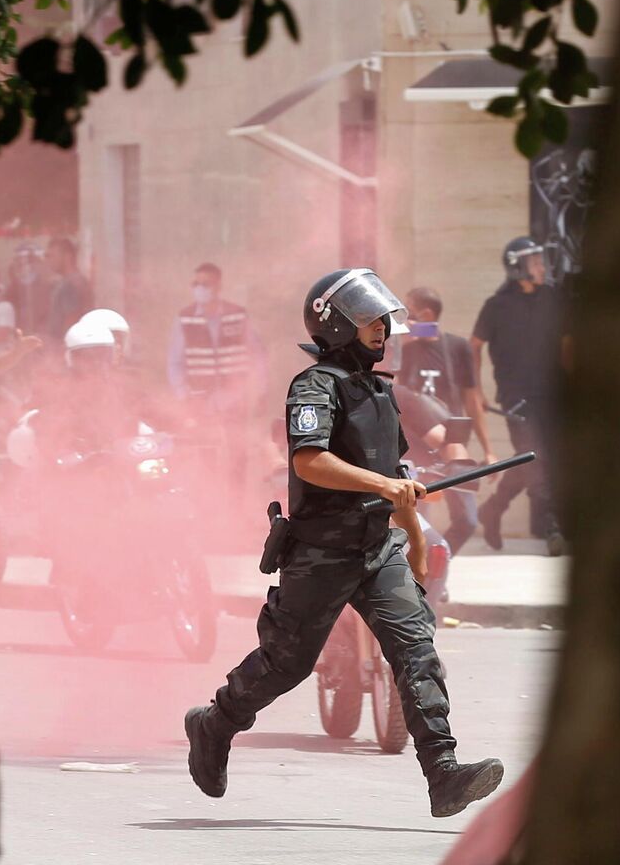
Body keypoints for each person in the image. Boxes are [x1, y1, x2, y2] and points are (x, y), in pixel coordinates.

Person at [184, 268, 504, 818]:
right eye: (369, 319)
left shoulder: (379, 392)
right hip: (321, 552)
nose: (382, 327)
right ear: (336, 325)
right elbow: (311, 461)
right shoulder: (314, 386)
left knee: (417, 651)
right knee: (286, 664)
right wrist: (383, 485)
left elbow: (396, 477)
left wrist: (411, 534)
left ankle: (444, 774)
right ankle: (215, 723)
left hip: (378, 549)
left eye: (383, 318)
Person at [470, 237, 568, 553]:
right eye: (535, 261)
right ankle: (552, 528)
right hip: (517, 399)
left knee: (534, 458)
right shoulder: (496, 306)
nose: (541, 266)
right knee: (536, 459)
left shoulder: (553, 298)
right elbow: (474, 347)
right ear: (517, 267)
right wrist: (477, 391)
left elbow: (567, 343)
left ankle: (493, 508)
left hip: (553, 394)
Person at [166, 262, 267, 508]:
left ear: (218, 286)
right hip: (200, 401)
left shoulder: (237, 316)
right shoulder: (185, 318)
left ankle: (235, 506)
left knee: (237, 454)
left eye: (206, 283)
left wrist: (258, 390)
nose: (200, 289)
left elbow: (257, 355)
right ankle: (209, 507)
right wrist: (183, 396)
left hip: (234, 398)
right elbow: (175, 362)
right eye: (196, 283)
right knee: (205, 454)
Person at [397, 286, 490, 549]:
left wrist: (488, 450)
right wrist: (401, 342)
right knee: (418, 524)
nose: (404, 319)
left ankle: (439, 560)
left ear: (426, 314)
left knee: (467, 520)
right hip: (415, 450)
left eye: (409, 312)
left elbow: (472, 401)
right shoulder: (404, 349)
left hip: (451, 446)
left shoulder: (458, 347)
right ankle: (422, 569)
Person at [42, 237, 91, 344]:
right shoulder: (70, 281)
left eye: (52, 256)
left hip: (63, 347)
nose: (49, 260)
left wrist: (60, 347)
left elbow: (72, 320)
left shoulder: (71, 284)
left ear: (67, 256)